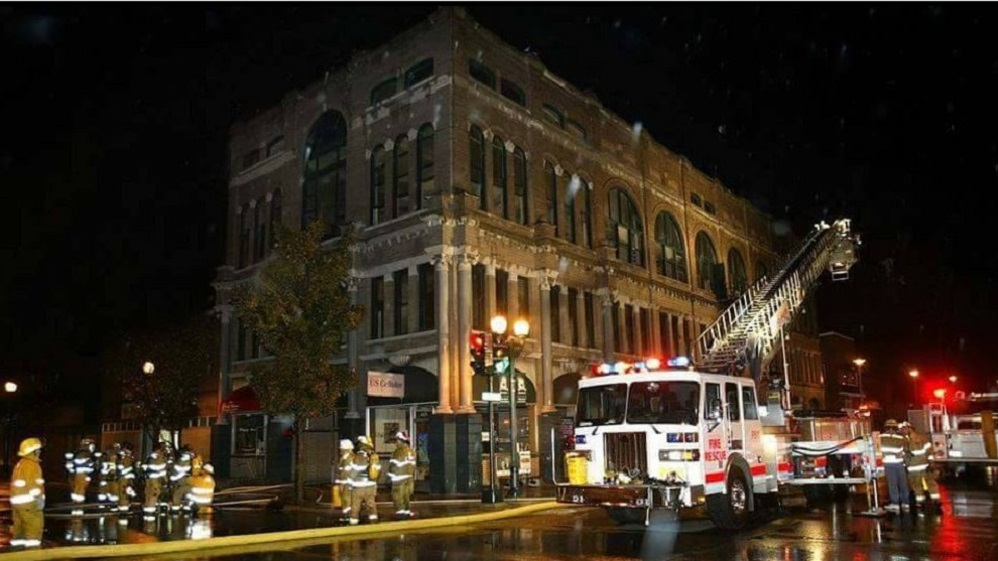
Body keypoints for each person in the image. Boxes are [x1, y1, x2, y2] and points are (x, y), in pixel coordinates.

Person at [9, 437, 45, 548]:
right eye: (37, 449)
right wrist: (38, 499)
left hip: (18, 505)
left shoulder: (20, 464)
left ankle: (17, 555)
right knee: (34, 532)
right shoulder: (32, 465)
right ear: (32, 451)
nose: (39, 451)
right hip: (30, 506)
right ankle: (32, 555)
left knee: (19, 532)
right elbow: (33, 486)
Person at [901, 422, 941, 512]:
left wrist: (905, 466)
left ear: (909, 428)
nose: (902, 431)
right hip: (923, 466)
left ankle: (922, 503)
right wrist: (931, 463)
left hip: (915, 468)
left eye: (904, 428)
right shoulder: (921, 438)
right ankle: (933, 501)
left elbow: (904, 456)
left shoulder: (905, 441)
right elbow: (929, 451)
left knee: (918, 485)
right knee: (926, 485)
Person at [348, 435, 380, 525]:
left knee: (355, 507)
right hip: (370, 488)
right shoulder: (374, 458)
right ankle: (374, 523)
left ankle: (353, 525)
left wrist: (350, 486)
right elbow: (376, 473)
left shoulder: (357, 458)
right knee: (371, 506)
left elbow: (353, 474)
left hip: (358, 488)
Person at [880, 418, 910, 512]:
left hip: (888, 463)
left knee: (893, 484)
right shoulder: (901, 438)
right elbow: (907, 450)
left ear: (886, 427)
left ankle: (895, 504)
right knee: (903, 483)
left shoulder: (880, 437)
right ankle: (906, 503)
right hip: (899, 463)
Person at [388, 430, 417, 519]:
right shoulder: (412, 451)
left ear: (401, 440)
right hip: (409, 478)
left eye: (397, 440)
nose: (396, 442)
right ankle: (406, 512)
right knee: (406, 496)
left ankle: (401, 513)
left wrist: (389, 478)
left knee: (397, 496)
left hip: (399, 479)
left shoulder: (398, 451)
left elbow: (393, 467)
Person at [67, 438, 97, 515]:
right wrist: (94, 464)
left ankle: (76, 504)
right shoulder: (85, 454)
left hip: (78, 474)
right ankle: (79, 506)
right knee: (80, 489)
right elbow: (89, 465)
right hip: (83, 475)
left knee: (77, 489)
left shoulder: (79, 453)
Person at [143, 442, 169, 517]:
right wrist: (165, 480)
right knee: (154, 494)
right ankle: (150, 511)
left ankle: (147, 510)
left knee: (148, 494)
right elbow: (162, 469)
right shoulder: (159, 456)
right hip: (155, 479)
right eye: (163, 448)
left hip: (148, 479)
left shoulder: (150, 456)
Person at [334, 438, 355, 521]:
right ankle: (348, 515)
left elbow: (345, 473)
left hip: (347, 483)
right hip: (346, 483)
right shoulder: (345, 458)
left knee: (347, 500)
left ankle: (348, 516)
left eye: (341, 449)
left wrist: (341, 483)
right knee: (346, 500)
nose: (340, 450)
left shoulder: (348, 459)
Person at [170, 445, 196, 513]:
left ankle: (175, 509)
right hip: (191, 480)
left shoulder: (183, 459)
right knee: (188, 494)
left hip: (183, 480)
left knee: (177, 494)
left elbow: (179, 471)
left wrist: (173, 478)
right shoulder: (194, 459)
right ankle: (187, 508)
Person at [98, 442, 121, 510]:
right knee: (109, 494)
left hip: (109, 478)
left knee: (108, 494)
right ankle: (108, 507)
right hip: (109, 478)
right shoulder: (112, 456)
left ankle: (106, 507)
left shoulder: (106, 456)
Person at [116, 442, 138, 514]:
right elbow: (123, 468)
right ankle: (123, 508)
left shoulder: (128, 456)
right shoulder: (124, 457)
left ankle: (125, 505)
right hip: (124, 479)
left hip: (127, 478)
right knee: (123, 493)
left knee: (127, 492)